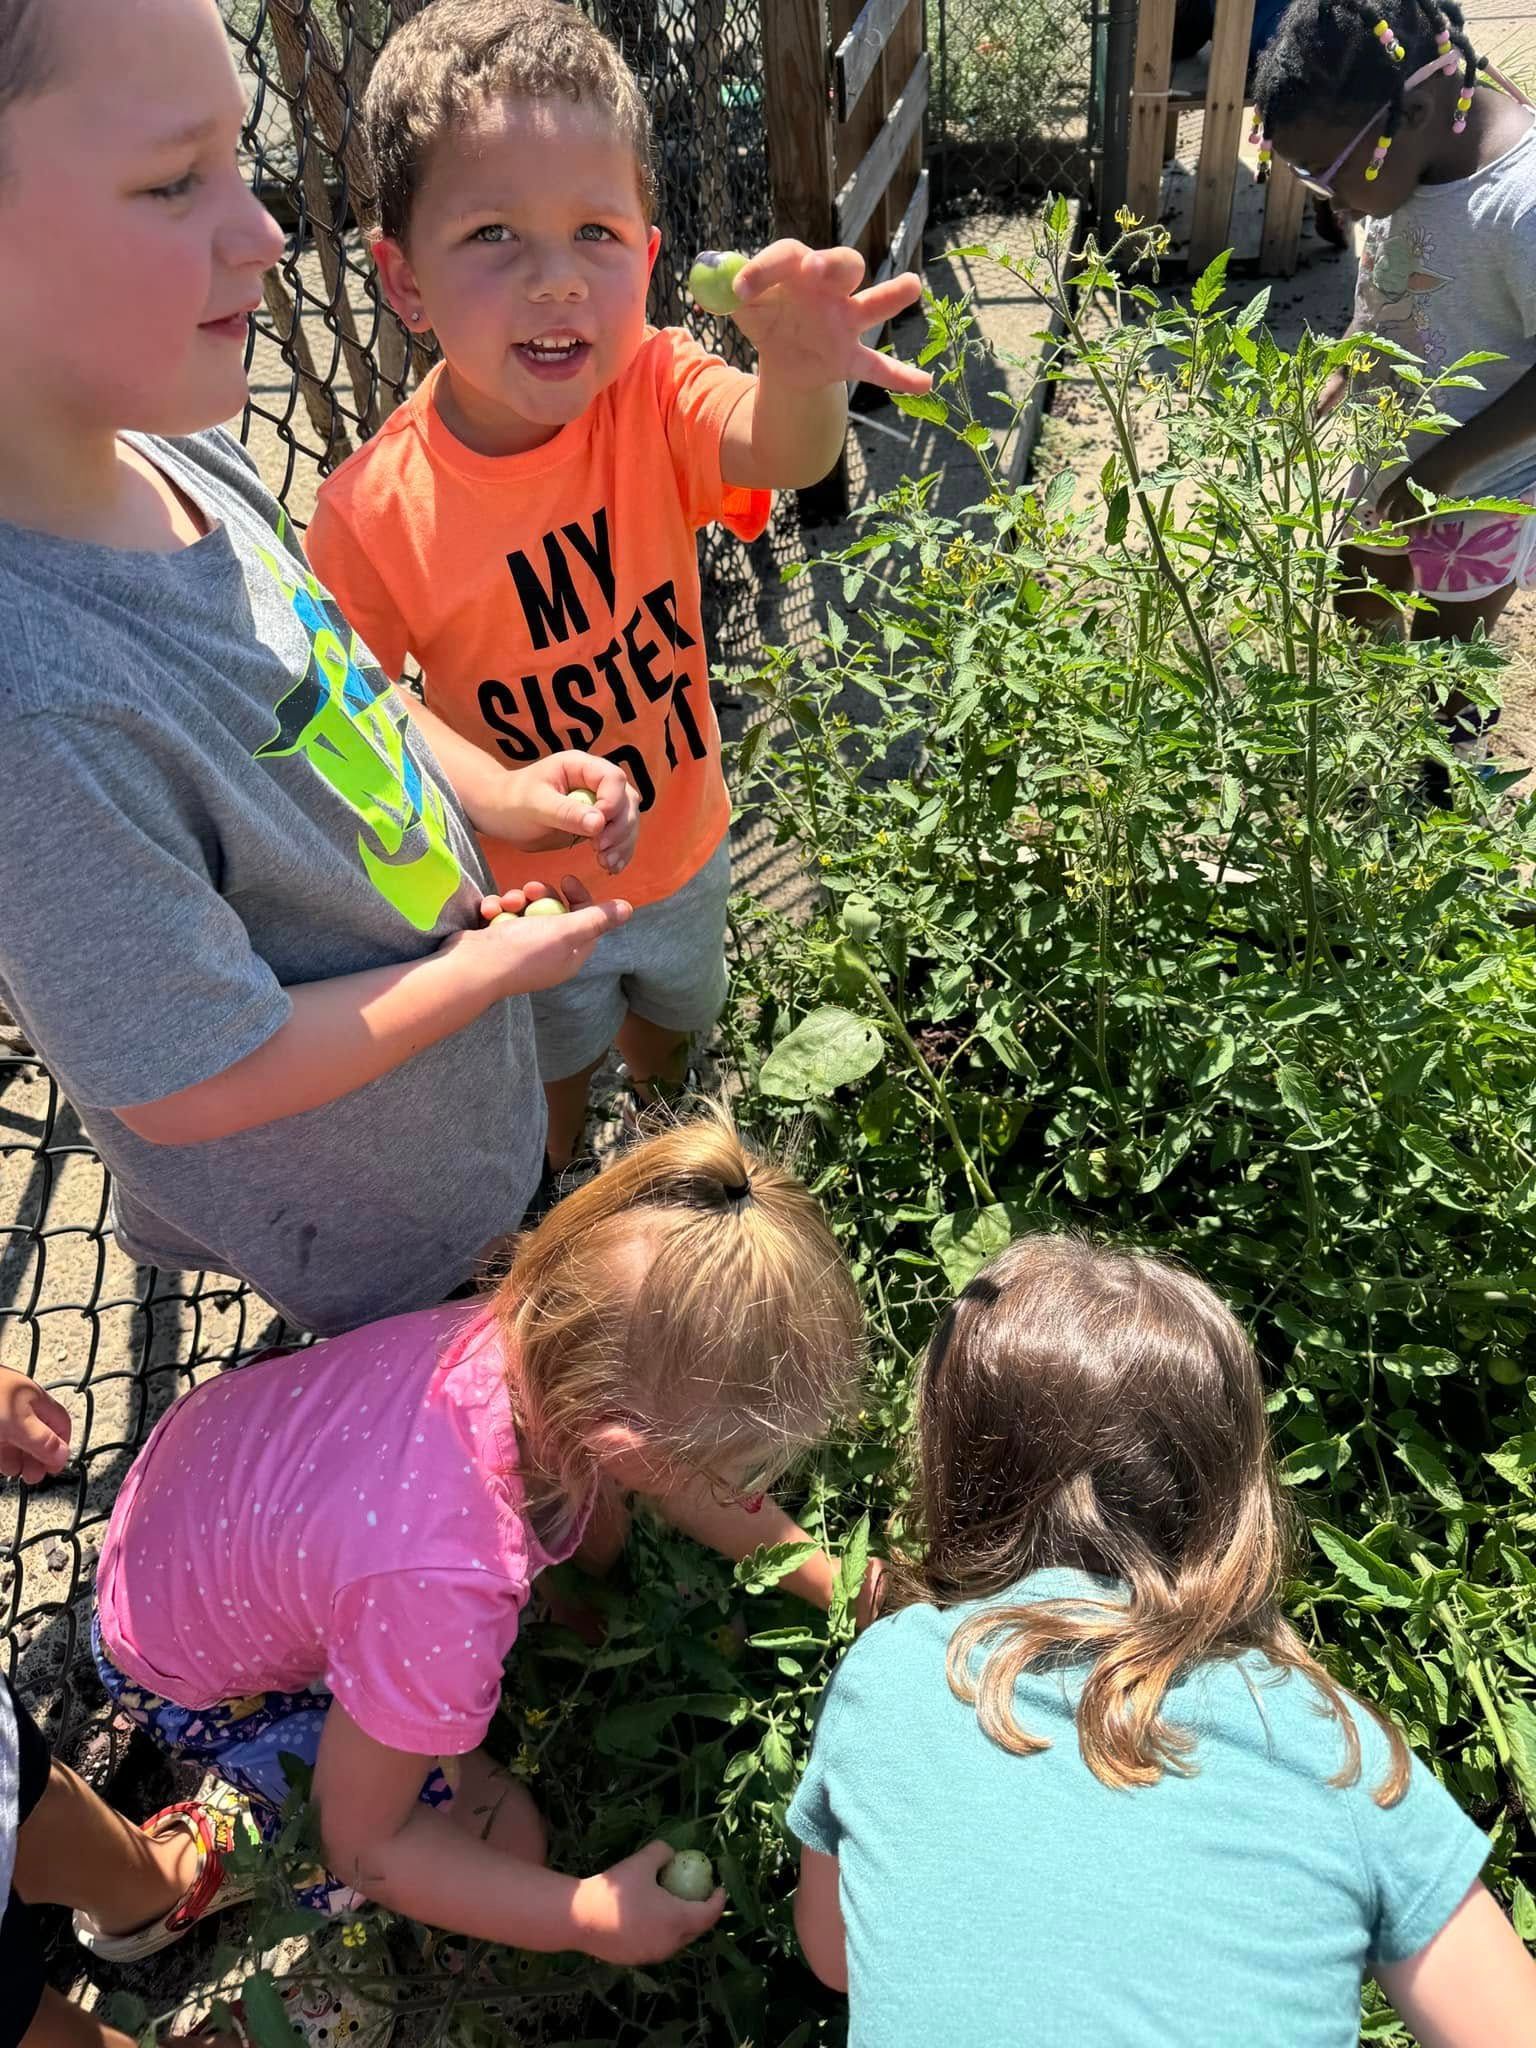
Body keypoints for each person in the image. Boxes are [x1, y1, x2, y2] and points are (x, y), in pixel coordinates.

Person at [0, 0, 641, 1345]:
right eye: (178, 181)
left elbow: (341, 685)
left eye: (240, 162)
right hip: (366, 1220)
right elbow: (193, 1076)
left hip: (454, 1095)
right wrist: (482, 976)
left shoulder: (170, 454)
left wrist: (501, 795)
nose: (265, 231)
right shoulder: (36, 702)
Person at [304, 0, 933, 1177]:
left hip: (686, 842)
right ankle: (552, 1195)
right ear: (404, 280)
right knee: (551, 1077)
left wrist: (798, 373)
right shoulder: (370, 510)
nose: (556, 282)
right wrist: (492, 790)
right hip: (527, 906)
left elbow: (777, 451)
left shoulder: (652, 385)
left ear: (648, 259)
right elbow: (354, 694)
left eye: (596, 232)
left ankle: (659, 1145)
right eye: (494, 233)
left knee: (673, 1034)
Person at [93, 1116, 869, 1963]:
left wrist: (837, 1582)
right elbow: (368, 1844)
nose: (741, 1490)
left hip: (196, 1500)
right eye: (731, 1470)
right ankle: (255, 1878)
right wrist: (587, 1920)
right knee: (507, 1844)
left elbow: (665, 1475)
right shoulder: (447, 1580)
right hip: (183, 1667)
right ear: (623, 1447)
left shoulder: (534, 1328)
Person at [786, 1235, 1536, 2047]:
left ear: (953, 1460)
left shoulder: (893, 1671)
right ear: (1234, 1491)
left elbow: (835, 1954)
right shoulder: (1341, 1754)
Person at [1254, 0, 1536, 702]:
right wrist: (1348, 358)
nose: (1327, 199)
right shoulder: (1401, 168)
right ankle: (1367, 741)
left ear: (1410, 116)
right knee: (1357, 597)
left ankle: (1438, 778)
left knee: (1448, 664)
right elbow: (1390, 288)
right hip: (1393, 453)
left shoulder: (1520, 207)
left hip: (1482, 484)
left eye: (1324, 170)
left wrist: (1437, 473)